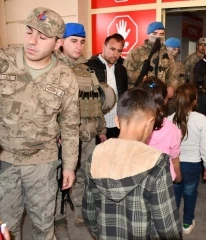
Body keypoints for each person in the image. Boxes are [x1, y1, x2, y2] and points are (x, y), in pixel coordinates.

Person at [0, 7, 79, 239]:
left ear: (57, 44)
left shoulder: (65, 77)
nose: (32, 41)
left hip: (42, 164)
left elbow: (70, 125)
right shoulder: (4, 62)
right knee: (6, 228)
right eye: (29, 32)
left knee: (44, 227)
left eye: (42, 37)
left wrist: (69, 166)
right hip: (4, 161)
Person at [82, 88, 182, 239]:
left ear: (116, 121)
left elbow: (88, 211)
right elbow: (167, 227)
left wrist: (98, 234)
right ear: (150, 123)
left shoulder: (96, 154)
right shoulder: (156, 162)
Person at [53, 23, 107, 238]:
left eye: (82, 41)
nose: (78, 46)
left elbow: (95, 101)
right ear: (61, 42)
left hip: (87, 134)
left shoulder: (86, 69)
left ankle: (81, 210)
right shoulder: (54, 68)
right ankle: (58, 217)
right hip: (64, 137)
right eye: (73, 41)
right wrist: (56, 134)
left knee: (84, 175)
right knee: (59, 179)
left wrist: (101, 129)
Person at [168, 84, 206, 234]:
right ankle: (187, 223)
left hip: (174, 164)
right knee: (190, 193)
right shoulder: (201, 119)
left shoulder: (169, 119)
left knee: (174, 194)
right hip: (193, 165)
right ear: (194, 101)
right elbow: (205, 145)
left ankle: (171, 223)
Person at [86, 33, 128, 139]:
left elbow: (124, 96)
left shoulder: (121, 70)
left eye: (119, 51)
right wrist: (100, 129)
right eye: (112, 49)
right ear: (104, 47)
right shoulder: (89, 67)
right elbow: (87, 102)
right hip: (96, 127)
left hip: (117, 124)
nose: (115, 54)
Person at [141, 77, 182, 182]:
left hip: (140, 179)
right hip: (164, 181)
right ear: (165, 100)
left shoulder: (135, 126)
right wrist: (178, 177)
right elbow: (174, 159)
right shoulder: (172, 130)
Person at [124, 21, 175, 87]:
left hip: (159, 93)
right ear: (148, 34)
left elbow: (172, 75)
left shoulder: (167, 54)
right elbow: (127, 72)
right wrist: (143, 77)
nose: (158, 37)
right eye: (154, 33)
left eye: (161, 34)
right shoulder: (136, 52)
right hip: (141, 92)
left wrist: (171, 87)